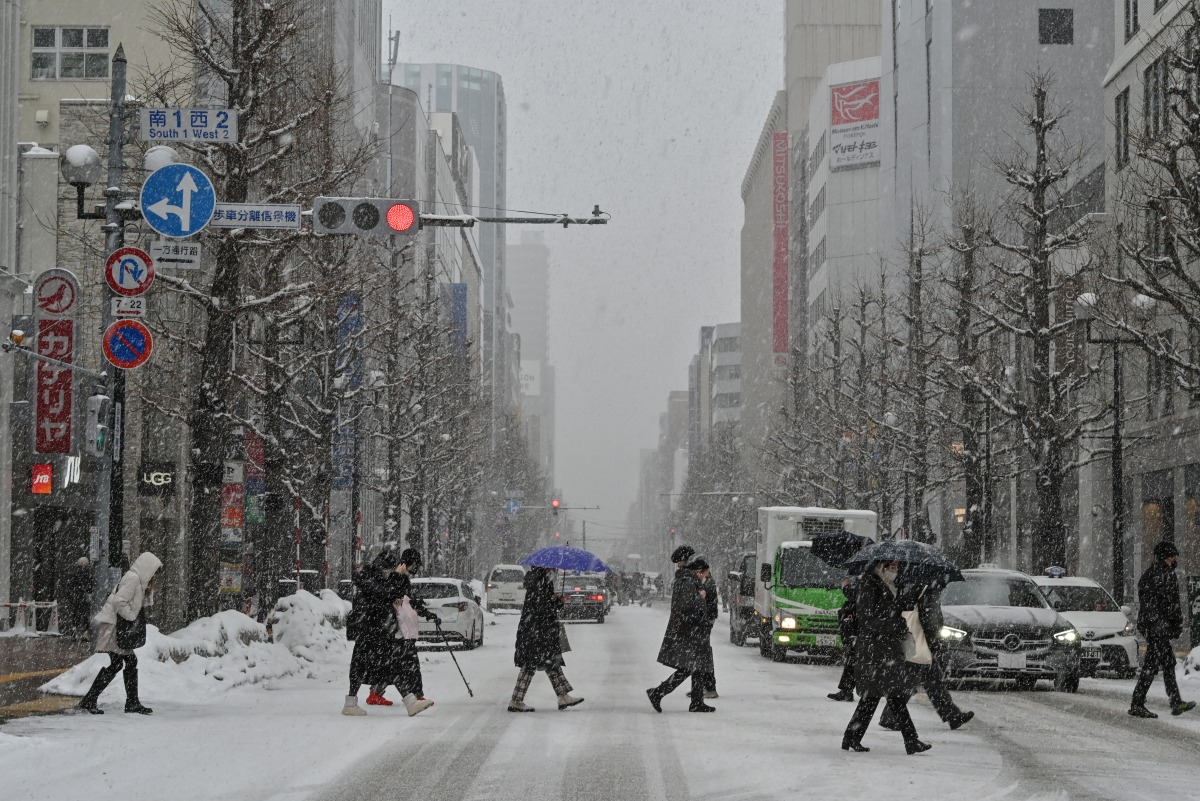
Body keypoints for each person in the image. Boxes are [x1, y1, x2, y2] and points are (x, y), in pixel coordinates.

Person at [840, 560, 930, 755]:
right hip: (874, 650)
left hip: (887, 649)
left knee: (882, 696)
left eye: (897, 567)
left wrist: (916, 592)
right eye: (892, 567)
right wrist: (893, 625)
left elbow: (896, 606)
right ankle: (910, 740)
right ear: (881, 566)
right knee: (884, 696)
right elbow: (867, 619)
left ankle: (852, 737)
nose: (895, 570)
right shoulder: (869, 584)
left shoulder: (890, 585)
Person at [343, 547, 435, 716]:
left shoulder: (376, 579)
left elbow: (392, 593)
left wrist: (395, 590)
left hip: (377, 630)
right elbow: (382, 594)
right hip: (372, 630)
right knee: (384, 666)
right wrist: (393, 588)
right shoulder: (369, 579)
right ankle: (409, 702)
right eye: (389, 569)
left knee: (382, 666)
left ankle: (352, 703)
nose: (391, 572)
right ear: (383, 567)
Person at [880, 578, 974, 730]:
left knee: (932, 681)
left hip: (914, 641)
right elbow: (931, 622)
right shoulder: (930, 591)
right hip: (920, 644)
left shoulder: (920, 587)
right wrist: (936, 643)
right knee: (910, 682)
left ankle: (953, 716)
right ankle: (890, 717)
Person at [77, 552, 162, 715]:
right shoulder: (133, 579)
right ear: (147, 568)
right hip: (113, 626)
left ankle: (94, 700)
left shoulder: (137, 580)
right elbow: (119, 601)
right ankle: (126, 702)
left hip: (115, 625)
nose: (154, 576)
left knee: (122, 663)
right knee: (126, 662)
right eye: (153, 572)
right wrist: (131, 616)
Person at [1130, 541, 1196, 718]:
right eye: (1171, 556)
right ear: (1165, 557)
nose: (1174, 559)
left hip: (1154, 626)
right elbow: (1171, 604)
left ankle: (1174, 701)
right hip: (1158, 627)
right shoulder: (1164, 575)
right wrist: (1174, 625)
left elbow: (1150, 601)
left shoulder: (1152, 573)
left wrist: (1155, 622)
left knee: (1167, 664)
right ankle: (1138, 703)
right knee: (1153, 666)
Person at [646, 545, 715, 713]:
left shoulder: (691, 579)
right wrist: (701, 600)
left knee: (698, 666)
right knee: (689, 667)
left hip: (693, 630)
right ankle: (658, 692)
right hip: (688, 630)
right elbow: (686, 606)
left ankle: (697, 702)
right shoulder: (686, 580)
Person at [508, 566, 584, 712]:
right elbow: (542, 608)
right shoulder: (540, 581)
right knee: (532, 665)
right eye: (552, 567)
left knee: (550, 663)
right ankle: (516, 700)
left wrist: (554, 600)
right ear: (545, 567)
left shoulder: (538, 580)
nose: (554, 570)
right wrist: (556, 602)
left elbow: (540, 605)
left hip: (535, 630)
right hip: (538, 632)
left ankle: (563, 696)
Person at [693, 557, 720, 699]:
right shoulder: (706, 583)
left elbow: (704, 602)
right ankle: (702, 686)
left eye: (699, 572)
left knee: (704, 653)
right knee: (703, 652)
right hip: (706, 620)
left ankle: (709, 686)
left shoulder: (708, 584)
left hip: (706, 621)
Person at [828, 576, 858, 702]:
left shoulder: (874, 578)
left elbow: (857, 596)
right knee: (852, 661)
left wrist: (846, 587)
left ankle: (848, 691)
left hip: (863, 629)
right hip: (860, 629)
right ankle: (846, 691)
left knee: (855, 661)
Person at [63, 556, 95, 639]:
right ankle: (85, 633)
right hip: (85, 597)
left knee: (75, 615)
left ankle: (74, 631)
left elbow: (69, 585)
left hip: (76, 597)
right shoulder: (89, 572)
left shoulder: (74, 572)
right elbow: (90, 585)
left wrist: (70, 596)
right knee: (86, 615)